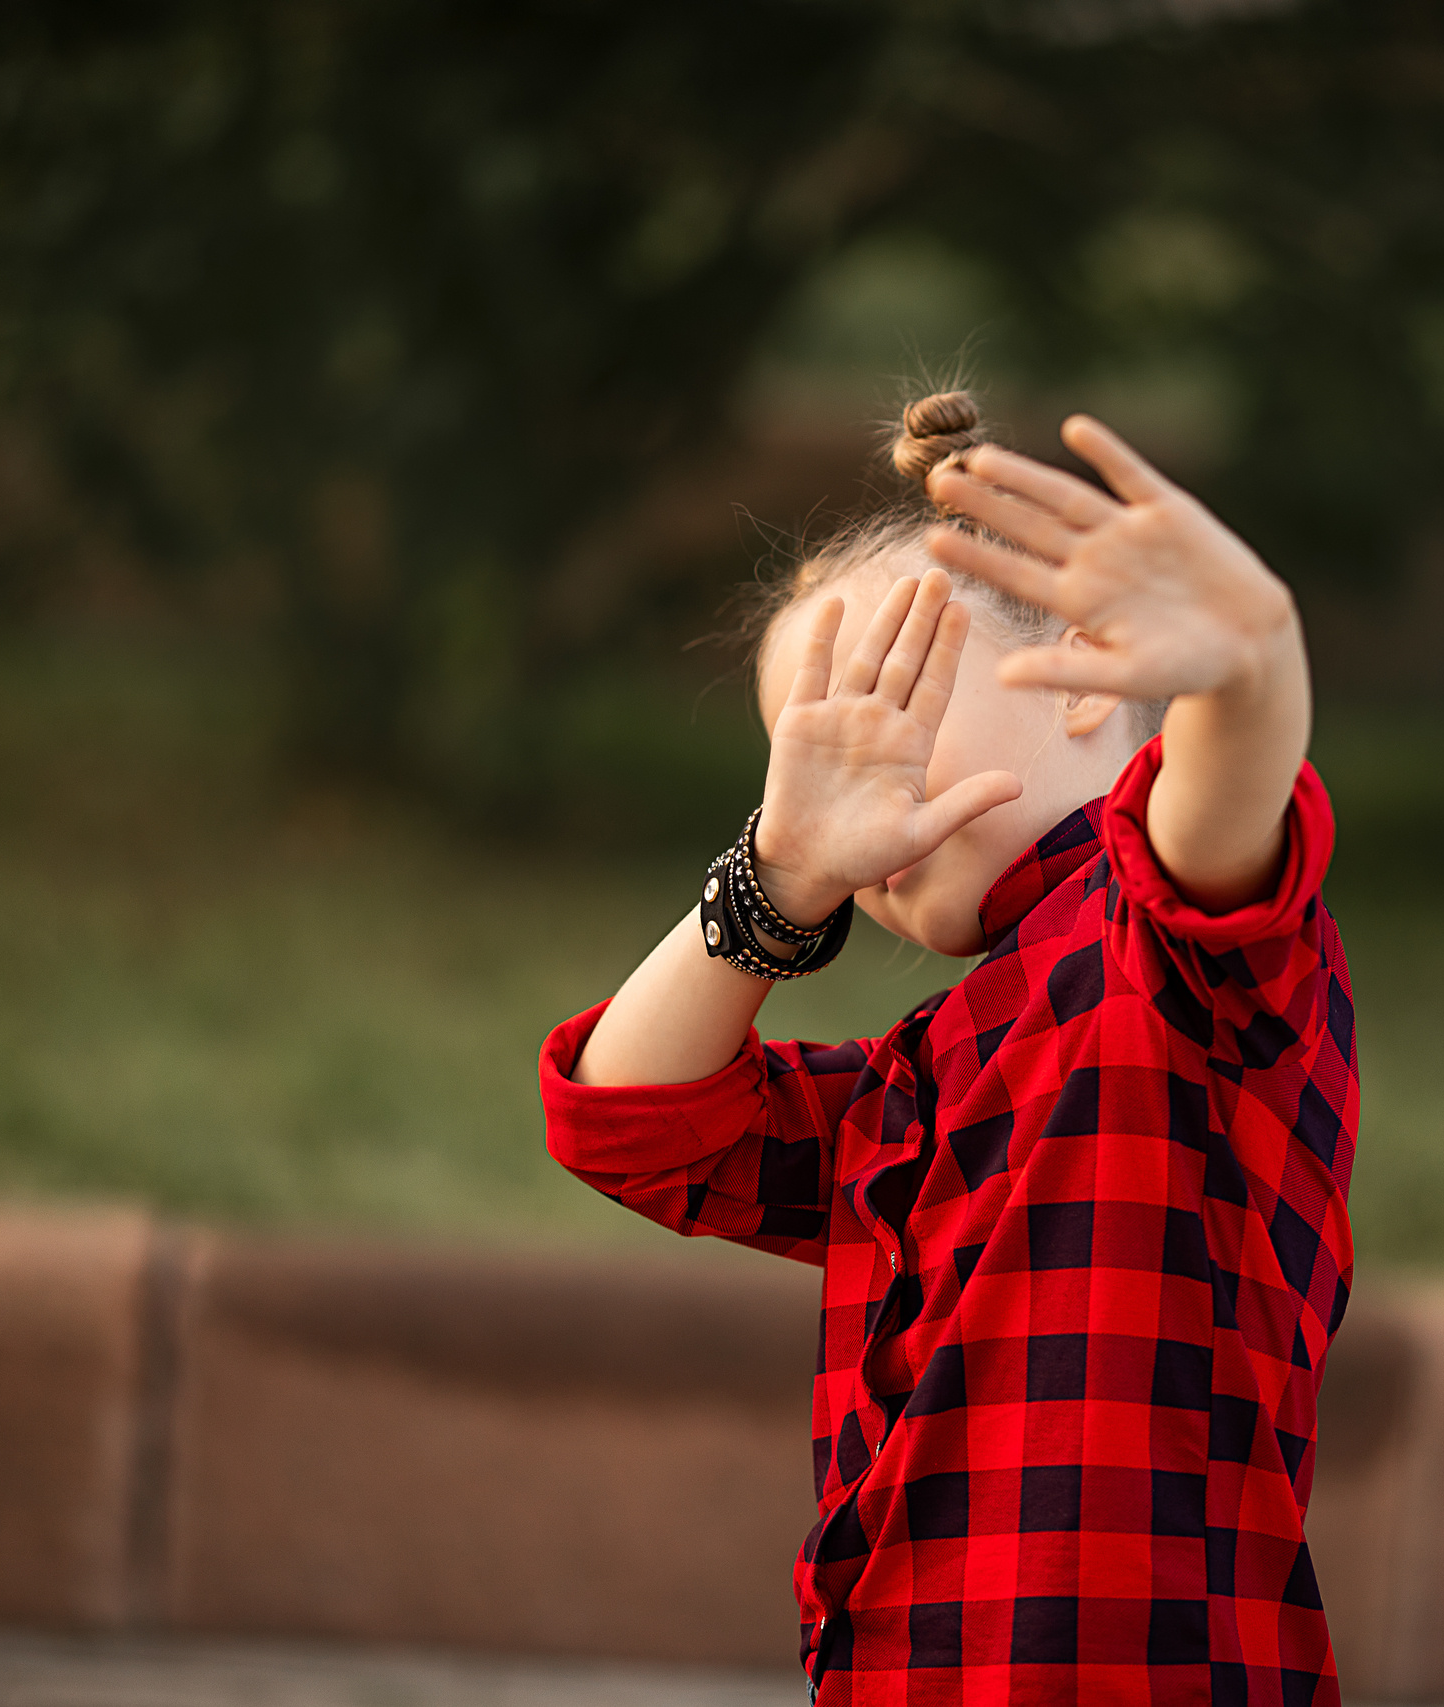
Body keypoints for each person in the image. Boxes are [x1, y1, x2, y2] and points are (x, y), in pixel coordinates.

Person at [538, 390, 1358, 1705]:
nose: (845, 771)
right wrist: (778, 872)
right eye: (801, 753)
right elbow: (630, 1119)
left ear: (1092, 671)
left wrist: (1248, 666)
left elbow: (1216, 822)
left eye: (891, 701)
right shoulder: (920, 1080)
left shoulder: (1166, 959)